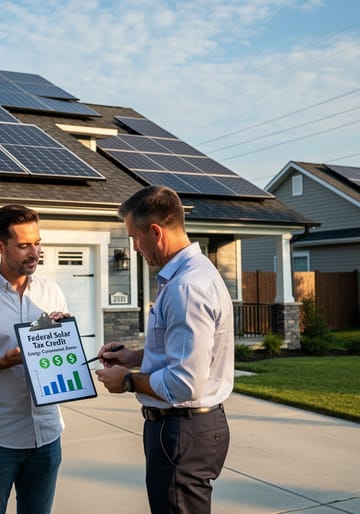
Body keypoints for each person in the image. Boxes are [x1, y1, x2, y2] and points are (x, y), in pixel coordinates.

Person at [95, 186, 235, 514]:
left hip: (181, 428)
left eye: (135, 236)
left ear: (156, 232)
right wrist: (133, 357)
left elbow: (184, 382)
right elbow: (187, 352)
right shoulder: (189, 276)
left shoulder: (186, 288)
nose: (134, 246)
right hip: (187, 427)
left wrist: (127, 380)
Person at [0, 205, 69, 514]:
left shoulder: (50, 292)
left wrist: (63, 338)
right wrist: (3, 362)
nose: (34, 253)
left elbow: (60, 359)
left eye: (37, 243)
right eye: (23, 246)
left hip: (47, 433)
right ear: (0, 246)